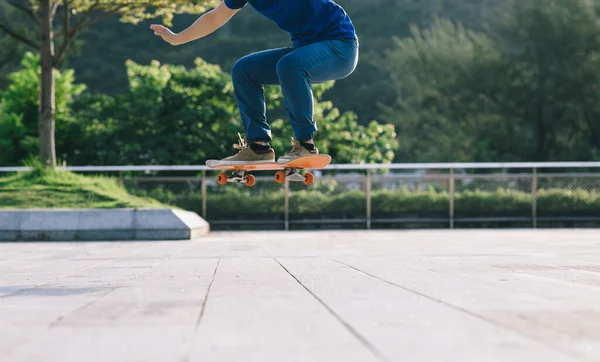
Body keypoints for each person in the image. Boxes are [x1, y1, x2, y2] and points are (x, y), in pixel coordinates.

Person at [151, 0, 358, 164]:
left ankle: (306, 145)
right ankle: (259, 146)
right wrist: (176, 38)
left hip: (340, 47)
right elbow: (214, 18)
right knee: (244, 70)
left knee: (289, 65)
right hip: (304, 50)